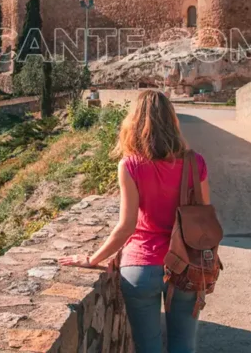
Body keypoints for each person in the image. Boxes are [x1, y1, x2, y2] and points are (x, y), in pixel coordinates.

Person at [59, 90, 209, 353]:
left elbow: (126, 226)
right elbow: (204, 215)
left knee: (148, 347)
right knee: (183, 345)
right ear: (172, 120)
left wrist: (93, 259)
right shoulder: (195, 163)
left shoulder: (130, 165)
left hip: (141, 267)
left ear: (135, 122)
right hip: (186, 266)